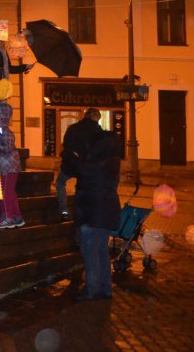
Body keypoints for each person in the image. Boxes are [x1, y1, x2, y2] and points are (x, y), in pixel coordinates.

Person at [73, 130, 120, 301]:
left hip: (92, 212)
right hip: (105, 213)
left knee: (90, 252)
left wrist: (76, 158)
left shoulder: (96, 161)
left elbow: (85, 175)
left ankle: (92, 289)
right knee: (101, 251)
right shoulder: (112, 159)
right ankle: (105, 288)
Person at [57, 108, 102, 221]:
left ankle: (64, 211)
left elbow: (66, 145)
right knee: (85, 187)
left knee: (60, 183)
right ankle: (85, 213)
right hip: (88, 166)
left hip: (71, 165)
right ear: (96, 118)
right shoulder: (98, 132)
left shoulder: (73, 128)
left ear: (85, 116)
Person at [0, 97, 23, 229]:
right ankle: (17, 216)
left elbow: (8, 148)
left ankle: (7, 217)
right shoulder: (0, 129)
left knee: (5, 192)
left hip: (8, 166)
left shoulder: (2, 129)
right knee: (10, 192)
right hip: (8, 165)